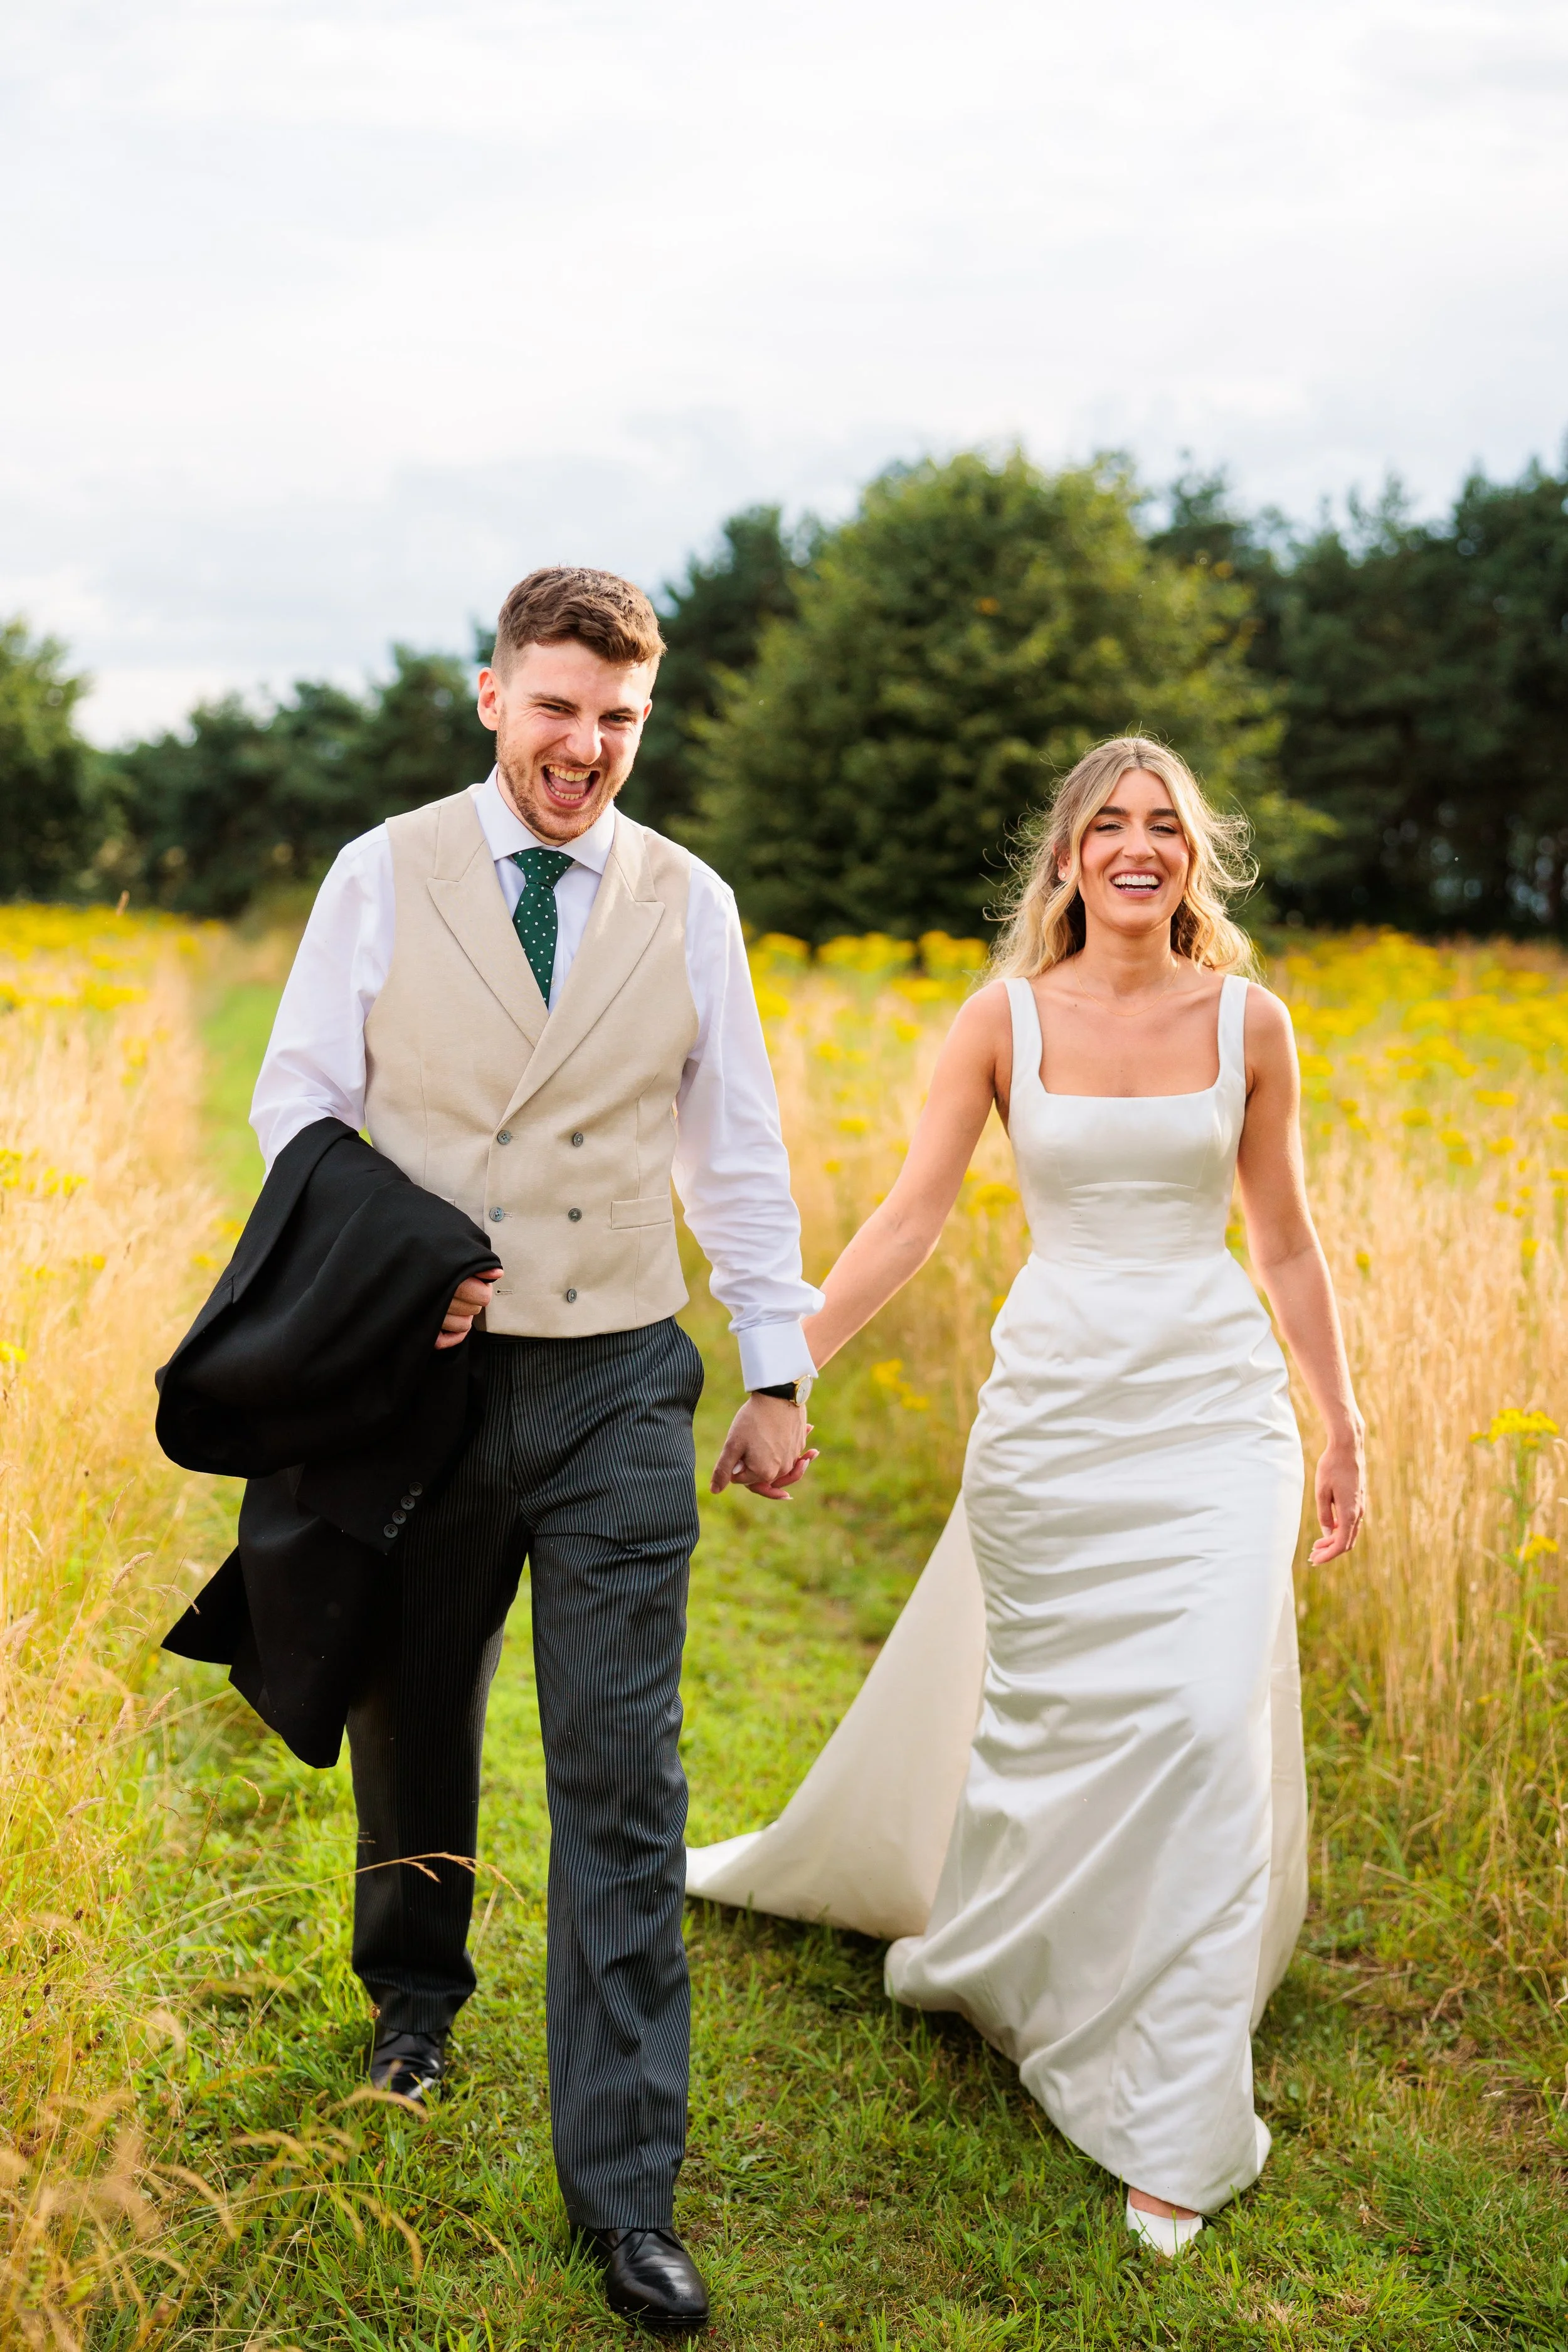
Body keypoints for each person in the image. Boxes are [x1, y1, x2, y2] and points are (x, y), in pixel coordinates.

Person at [688, 736, 1365, 2255]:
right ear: (1063, 858)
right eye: (1106, 825)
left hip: (1213, 1420)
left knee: (1201, 1726)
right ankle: (1021, 1958)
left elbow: (1288, 1245)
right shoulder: (997, 1023)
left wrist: (1342, 1420)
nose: (1137, 846)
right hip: (1053, 1425)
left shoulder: (1252, 1024)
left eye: (1163, 826)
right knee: (1055, 1727)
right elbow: (908, 1220)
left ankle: (1178, 2115)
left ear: (1196, 857)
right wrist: (785, 1373)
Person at [247, 567, 820, 2332]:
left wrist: (776, 1360)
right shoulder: (384, 869)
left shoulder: (686, 899)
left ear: (646, 722)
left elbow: (733, 1139)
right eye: (559, 706)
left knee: (624, 1773)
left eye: (620, 719)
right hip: (422, 1384)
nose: (586, 746)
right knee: (411, 1718)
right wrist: (388, 1270)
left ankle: (625, 2180)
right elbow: (298, 1101)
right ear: (491, 694)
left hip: (615, 1382)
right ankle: (413, 2005)